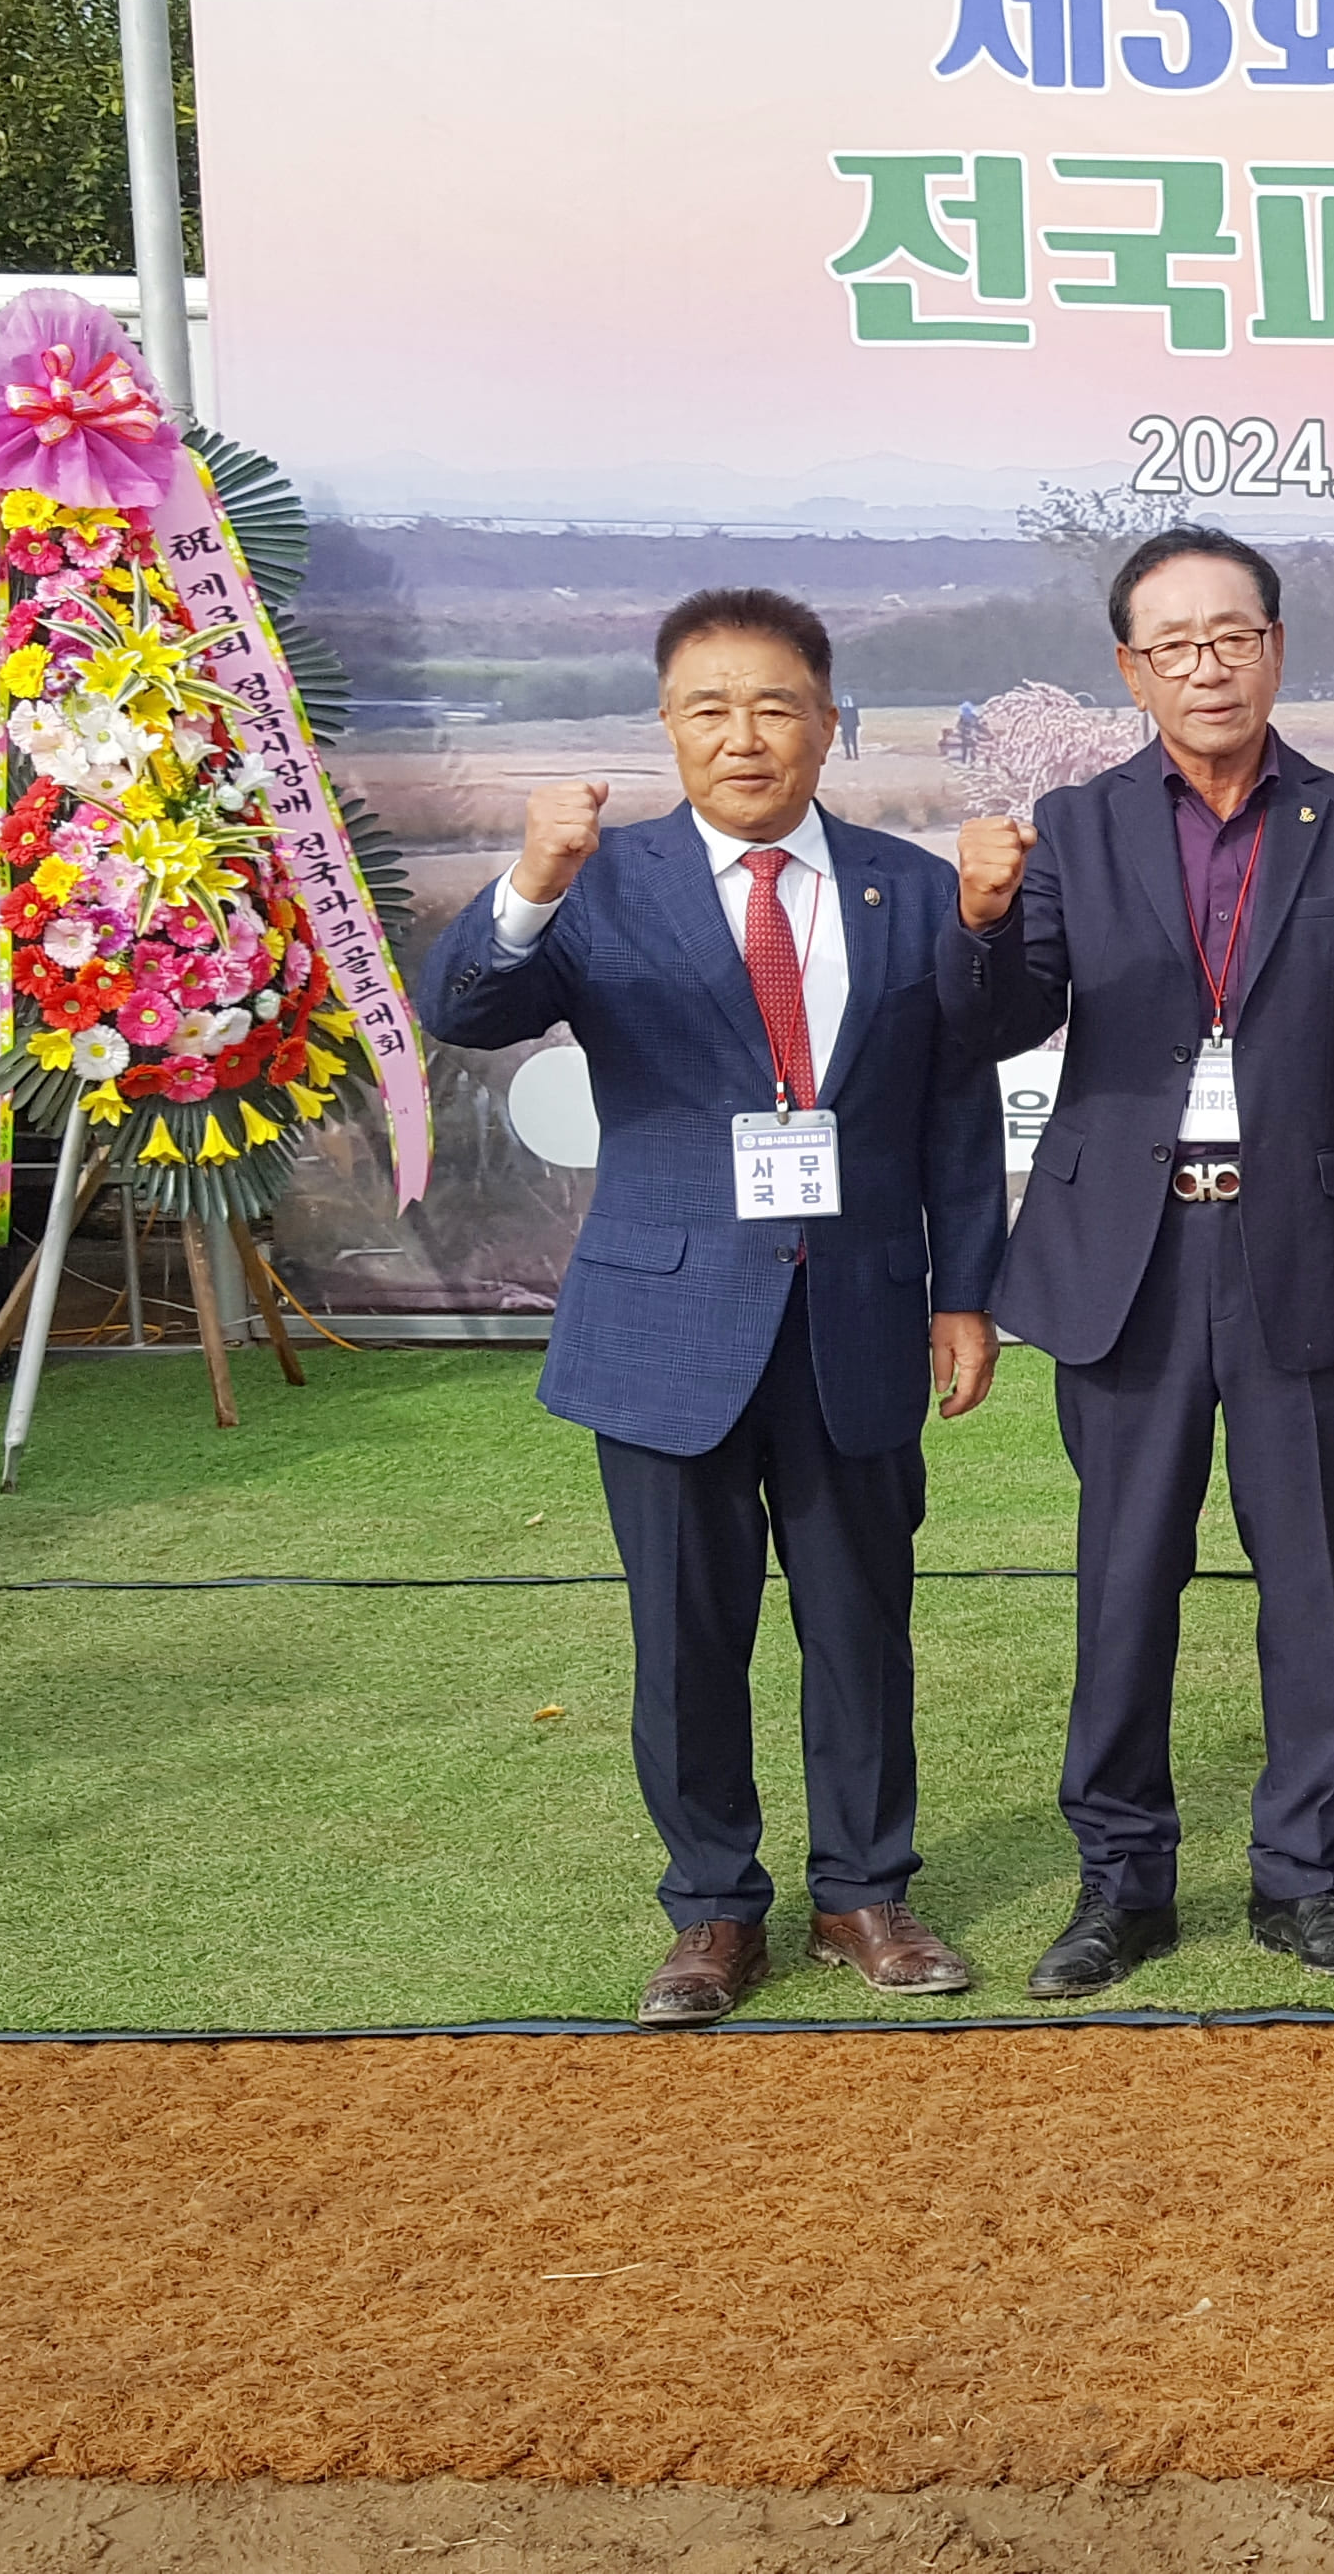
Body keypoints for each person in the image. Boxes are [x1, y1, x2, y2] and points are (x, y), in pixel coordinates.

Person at [423, 586, 1008, 2028]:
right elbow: (466, 1010)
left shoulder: (906, 888)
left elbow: (953, 1105)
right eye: (710, 709)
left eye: (774, 706)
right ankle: (711, 1909)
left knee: (861, 1623)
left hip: (856, 1313)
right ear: (669, 727)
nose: (744, 736)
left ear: (826, 721)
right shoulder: (598, 881)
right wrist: (531, 881)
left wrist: (967, 1293)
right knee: (686, 1635)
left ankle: (865, 1893)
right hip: (665, 1328)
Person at [945, 526, 1334, 1996]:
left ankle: (1305, 1877)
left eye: (1231, 636)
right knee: (1125, 1579)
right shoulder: (1076, 825)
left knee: (1308, 1579)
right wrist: (981, 923)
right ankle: (1121, 1884)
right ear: (1131, 670)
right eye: (1173, 646)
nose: (1207, 667)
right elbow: (1004, 1020)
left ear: (1275, 647)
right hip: (1130, 1257)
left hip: (1309, 1249)